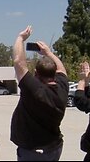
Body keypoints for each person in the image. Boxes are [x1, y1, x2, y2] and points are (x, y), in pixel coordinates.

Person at [11, 25, 69, 161]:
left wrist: (20, 38)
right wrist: (49, 53)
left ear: (36, 74)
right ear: (54, 74)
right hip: (54, 147)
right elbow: (62, 70)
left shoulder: (35, 90)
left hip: (34, 152)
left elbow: (19, 62)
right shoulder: (62, 87)